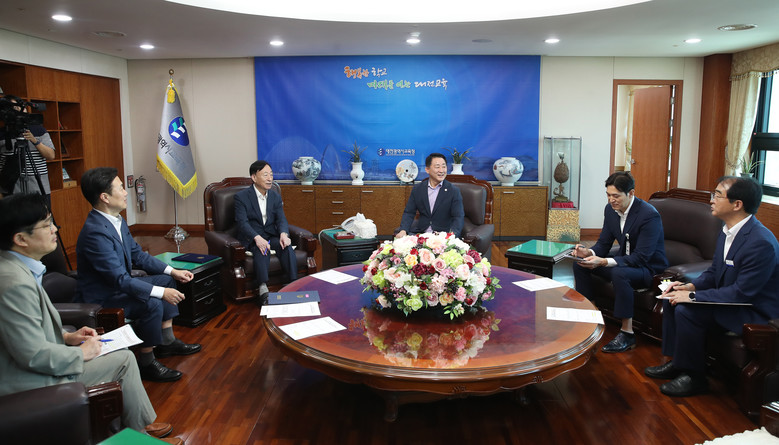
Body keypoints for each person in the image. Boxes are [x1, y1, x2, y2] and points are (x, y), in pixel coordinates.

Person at [0, 193, 183, 444]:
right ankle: (140, 434)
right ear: (20, 239)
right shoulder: (14, 283)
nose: (55, 229)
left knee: (124, 350)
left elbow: (25, 329)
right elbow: (32, 355)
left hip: (38, 360)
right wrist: (80, 353)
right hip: (29, 378)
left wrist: (67, 336)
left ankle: (139, 428)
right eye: (47, 225)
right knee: (124, 360)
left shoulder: (19, 268)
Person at [645, 176, 779, 397]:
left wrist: (693, 298)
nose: (711, 200)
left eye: (717, 195)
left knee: (687, 310)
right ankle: (678, 362)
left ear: (737, 204)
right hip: (732, 300)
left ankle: (695, 377)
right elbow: (714, 272)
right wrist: (689, 287)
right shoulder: (727, 231)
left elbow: (742, 293)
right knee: (672, 297)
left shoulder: (760, 243)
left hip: (753, 310)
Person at [75, 167, 201, 382]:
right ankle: (147, 362)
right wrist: (161, 293)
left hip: (120, 286)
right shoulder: (95, 232)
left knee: (167, 280)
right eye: (121, 188)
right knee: (152, 301)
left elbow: (138, 255)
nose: (126, 192)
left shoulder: (116, 219)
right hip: (104, 296)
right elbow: (119, 279)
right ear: (105, 197)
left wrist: (173, 271)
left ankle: (167, 342)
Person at [572, 171, 668, 353]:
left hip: (648, 268)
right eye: (608, 195)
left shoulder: (649, 215)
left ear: (631, 193)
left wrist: (603, 262)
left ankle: (627, 333)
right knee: (581, 263)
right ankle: (591, 315)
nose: (611, 200)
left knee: (619, 273)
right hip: (625, 261)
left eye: (616, 196)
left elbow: (641, 257)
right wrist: (589, 252)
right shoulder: (610, 210)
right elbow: (604, 243)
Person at [234, 160, 297, 305]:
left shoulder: (275, 196)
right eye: (265, 175)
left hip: (270, 234)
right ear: (254, 177)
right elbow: (242, 223)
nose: (270, 179)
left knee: (285, 246)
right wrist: (256, 238)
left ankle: (293, 283)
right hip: (252, 237)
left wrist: (283, 234)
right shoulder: (241, 197)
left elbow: (281, 219)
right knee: (262, 249)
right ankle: (263, 288)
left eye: (271, 175)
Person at [0, 94, 56, 203]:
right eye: (15, 108)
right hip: (11, 192)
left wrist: (34, 141)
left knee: (42, 214)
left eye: (20, 107)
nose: (20, 110)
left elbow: (51, 155)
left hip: (38, 189)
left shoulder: (39, 130)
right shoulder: (2, 134)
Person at [396, 153, 464, 238]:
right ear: (427, 169)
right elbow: (409, 212)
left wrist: (452, 236)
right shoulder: (418, 189)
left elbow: (458, 217)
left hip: (443, 236)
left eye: (444, 166)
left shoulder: (453, 191)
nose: (441, 170)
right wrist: (403, 230)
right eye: (437, 167)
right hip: (421, 234)